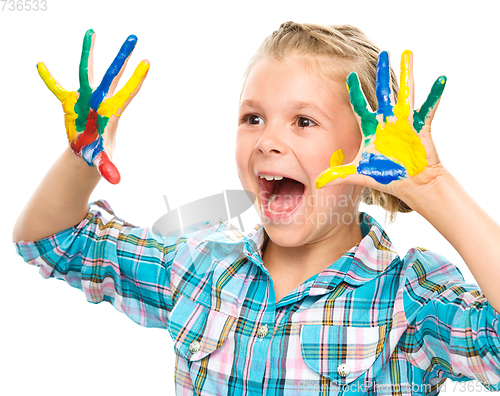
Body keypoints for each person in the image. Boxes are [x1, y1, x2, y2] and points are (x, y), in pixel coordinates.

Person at [12, 22, 500, 395]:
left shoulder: (412, 297)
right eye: (253, 118)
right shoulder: (199, 265)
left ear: (369, 150)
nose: (268, 140)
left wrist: (432, 187)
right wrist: (81, 161)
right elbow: (51, 241)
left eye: (304, 121)